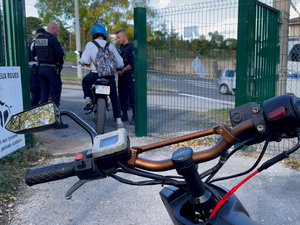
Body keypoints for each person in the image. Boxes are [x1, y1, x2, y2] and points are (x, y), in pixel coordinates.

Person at [80, 24, 124, 129]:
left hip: (95, 74)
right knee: (114, 97)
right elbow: (120, 63)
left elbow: (85, 60)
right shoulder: (111, 45)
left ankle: (88, 98)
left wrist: (83, 62)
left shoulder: (90, 45)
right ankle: (119, 121)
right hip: (109, 76)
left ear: (93, 33)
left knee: (85, 81)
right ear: (104, 34)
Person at [33, 21, 65, 108]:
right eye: (57, 30)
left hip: (40, 70)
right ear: (53, 29)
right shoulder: (52, 39)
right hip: (51, 69)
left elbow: (34, 53)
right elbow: (59, 53)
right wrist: (60, 62)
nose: (57, 33)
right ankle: (54, 115)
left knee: (44, 94)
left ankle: (43, 117)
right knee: (55, 93)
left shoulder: (38, 39)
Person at [116, 30, 135, 125]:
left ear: (124, 36)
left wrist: (123, 70)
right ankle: (124, 114)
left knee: (132, 96)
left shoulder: (131, 48)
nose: (117, 39)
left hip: (129, 75)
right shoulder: (119, 48)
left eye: (119, 37)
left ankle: (135, 116)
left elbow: (132, 64)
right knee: (122, 96)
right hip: (121, 76)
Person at [28, 28, 46, 107]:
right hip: (35, 69)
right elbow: (37, 56)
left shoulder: (30, 42)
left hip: (29, 68)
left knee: (33, 91)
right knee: (37, 91)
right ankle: (33, 108)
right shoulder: (37, 43)